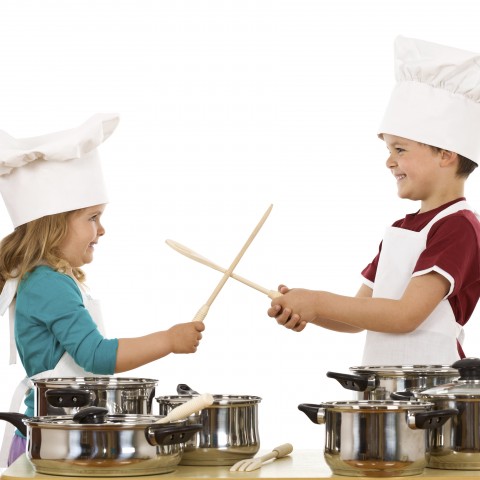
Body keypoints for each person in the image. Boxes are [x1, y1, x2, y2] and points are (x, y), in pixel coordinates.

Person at [0, 114, 205, 466]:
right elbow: (96, 356)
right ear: (52, 226)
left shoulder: (46, 279)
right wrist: (169, 341)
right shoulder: (48, 283)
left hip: (58, 436)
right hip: (56, 445)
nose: (102, 230)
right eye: (92, 217)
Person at [267, 36, 480, 366]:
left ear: (446, 154)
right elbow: (358, 316)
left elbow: (405, 315)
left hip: (432, 391)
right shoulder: (401, 229)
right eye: (388, 150)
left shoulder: (458, 227)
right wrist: (305, 308)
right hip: (385, 387)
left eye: (400, 149)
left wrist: (318, 302)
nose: (389, 161)